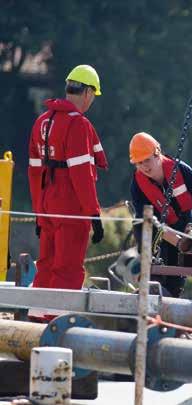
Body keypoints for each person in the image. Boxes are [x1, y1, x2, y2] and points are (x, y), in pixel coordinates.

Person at [27, 65, 107, 299]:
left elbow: (34, 171)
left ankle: (38, 315)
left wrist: (38, 213)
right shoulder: (78, 125)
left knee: (46, 263)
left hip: (46, 204)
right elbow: (82, 175)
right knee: (68, 267)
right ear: (88, 93)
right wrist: (93, 213)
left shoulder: (41, 122)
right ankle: (56, 319)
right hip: (71, 206)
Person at [129, 132, 192, 297]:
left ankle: (170, 300)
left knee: (177, 275)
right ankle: (150, 294)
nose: (145, 166)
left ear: (157, 153)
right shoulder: (137, 185)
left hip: (183, 224)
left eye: (147, 160)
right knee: (156, 273)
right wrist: (179, 242)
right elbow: (148, 220)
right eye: (139, 163)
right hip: (153, 233)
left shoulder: (181, 170)